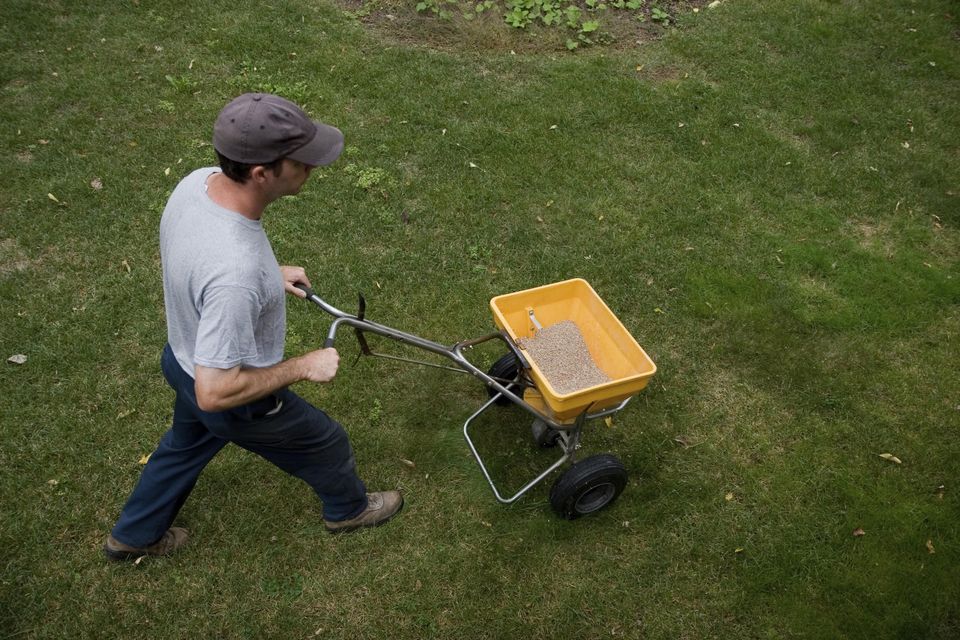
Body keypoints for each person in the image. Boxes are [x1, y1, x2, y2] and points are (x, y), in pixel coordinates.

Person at [104, 93, 403, 561]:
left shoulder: (198, 185)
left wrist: (269, 276)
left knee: (185, 445)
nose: (313, 167)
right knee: (327, 442)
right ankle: (348, 509)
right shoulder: (235, 273)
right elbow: (216, 392)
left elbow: (203, 262)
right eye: (302, 161)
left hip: (179, 358)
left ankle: (133, 536)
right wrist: (304, 365)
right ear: (262, 172)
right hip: (226, 394)